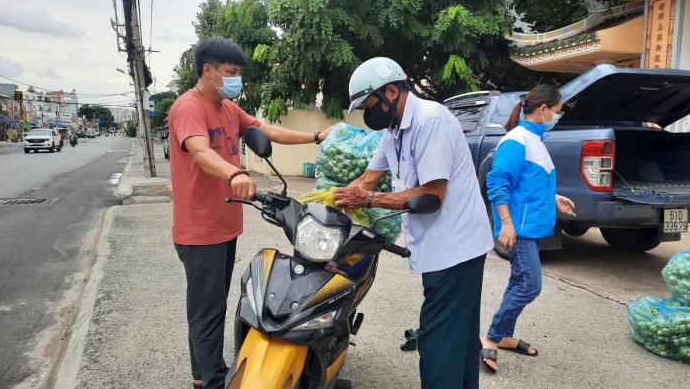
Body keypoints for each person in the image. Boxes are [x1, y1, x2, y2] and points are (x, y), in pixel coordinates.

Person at [168, 37, 332, 389]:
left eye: (240, 73)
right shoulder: (188, 107)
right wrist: (235, 172)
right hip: (199, 229)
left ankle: (202, 375)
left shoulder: (228, 109)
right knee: (207, 310)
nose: (236, 80)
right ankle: (212, 381)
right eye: (231, 72)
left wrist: (316, 136)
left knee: (210, 306)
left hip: (225, 225)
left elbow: (265, 130)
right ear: (208, 70)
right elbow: (198, 151)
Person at [334, 57, 493, 389]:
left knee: (437, 342)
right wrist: (336, 198)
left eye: (368, 104)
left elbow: (433, 195)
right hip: (440, 248)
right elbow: (368, 178)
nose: (367, 113)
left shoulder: (430, 121)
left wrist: (370, 200)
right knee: (458, 338)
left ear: (392, 91)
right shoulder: (394, 130)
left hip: (456, 247)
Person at [480, 84, 576, 373]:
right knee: (530, 285)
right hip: (519, 228)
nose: (557, 118)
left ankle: (506, 335)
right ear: (544, 109)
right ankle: (493, 337)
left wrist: (555, 198)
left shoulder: (535, 139)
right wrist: (506, 223)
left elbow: (530, 182)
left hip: (530, 226)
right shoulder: (517, 140)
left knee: (519, 282)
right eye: (557, 112)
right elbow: (498, 184)